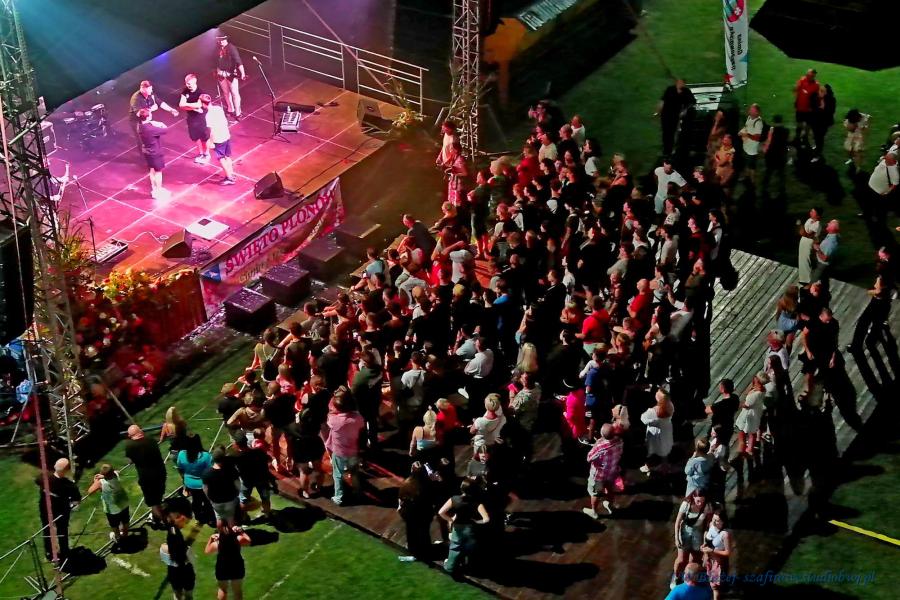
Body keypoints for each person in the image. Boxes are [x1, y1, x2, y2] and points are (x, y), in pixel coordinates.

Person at [439, 479, 490, 575]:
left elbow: (441, 512)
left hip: (458, 527)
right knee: (469, 548)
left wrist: (450, 519)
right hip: (470, 528)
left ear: (461, 488)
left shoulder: (454, 499)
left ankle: (450, 567)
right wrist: (477, 522)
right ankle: (467, 566)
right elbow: (486, 519)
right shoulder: (477, 502)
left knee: (455, 547)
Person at [325, 388, 365, 506]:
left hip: (339, 452)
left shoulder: (334, 420)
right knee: (354, 473)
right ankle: (358, 493)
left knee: (338, 475)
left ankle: (339, 497)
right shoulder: (357, 418)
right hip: (353, 451)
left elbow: (329, 418)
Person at [35, 458, 80, 561]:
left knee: (47, 530)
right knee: (62, 531)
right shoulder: (69, 485)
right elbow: (76, 500)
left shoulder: (43, 477)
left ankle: (49, 553)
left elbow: (37, 481)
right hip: (61, 512)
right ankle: (64, 552)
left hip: (45, 509)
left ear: (55, 466)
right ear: (67, 470)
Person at [124, 423, 167, 526]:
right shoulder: (151, 440)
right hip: (161, 473)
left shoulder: (130, 446)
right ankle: (158, 516)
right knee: (158, 497)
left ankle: (164, 522)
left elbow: (130, 460)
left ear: (130, 436)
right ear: (141, 431)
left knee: (153, 503)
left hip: (147, 478)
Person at [672, 490, 712, 591]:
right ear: (693, 497)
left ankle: (689, 579)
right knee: (681, 560)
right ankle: (676, 576)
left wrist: (705, 541)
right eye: (698, 501)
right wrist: (676, 538)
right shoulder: (686, 504)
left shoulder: (707, 506)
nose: (700, 503)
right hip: (685, 532)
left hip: (698, 533)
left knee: (694, 561)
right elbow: (677, 522)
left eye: (702, 501)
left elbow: (707, 525)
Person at [160, 498, 199, 600]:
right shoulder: (174, 533)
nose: (185, 525)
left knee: (177, 594)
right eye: (185, 521)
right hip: (185, 571)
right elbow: (183, 557)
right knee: (188, 595)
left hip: (173, 572)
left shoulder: (171, 529)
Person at [583, 423, 623, 519]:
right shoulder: (619, 441)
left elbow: (589, 458)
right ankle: (610, 505)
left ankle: (594, 512)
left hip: (599, 477)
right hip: (612, 473)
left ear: (602, 434)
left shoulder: (600, 447)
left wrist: (597, 443)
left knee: (596, 493)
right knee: (610, 489)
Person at [397, 461, 434, 562]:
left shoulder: (408, 483)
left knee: (413, 535)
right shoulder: (428, 483)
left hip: (413, 515)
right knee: (424, 533)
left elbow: (402, 498)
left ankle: (416, 554)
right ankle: (427, 551)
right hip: (426, 513)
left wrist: (401, 508)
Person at [847, 274, 893, 353]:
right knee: (875, 324)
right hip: (883, 304)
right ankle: (869, 342)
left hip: (877, 303)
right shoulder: (888, 278)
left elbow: (878, 291)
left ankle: (857, 345)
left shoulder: (882, 277)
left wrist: (870, 291)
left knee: (863, 323)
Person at [85, 464, 129, 544]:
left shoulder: (101, 483)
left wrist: (95, 481)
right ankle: (125, 535)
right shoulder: (116, 475)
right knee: (125, 520)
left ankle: (118, 537)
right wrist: (103, 476)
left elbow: (90, 491)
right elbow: (115, 472)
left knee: (114, 525)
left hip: (112, 510)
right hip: (124, 503)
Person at [176, 434, 214, 526]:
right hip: (204, 484)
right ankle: (210, 518)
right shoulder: (205, 456)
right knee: (207, 501)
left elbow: (180, 468)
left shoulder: (181, 454)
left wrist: (184, 479)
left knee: (196, 500)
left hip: (190, 483)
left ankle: (198, 517)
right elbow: (211, 470)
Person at [205, 523, 251, 600]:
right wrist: (242, 532)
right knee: (237, 591)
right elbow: (248, 541)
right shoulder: (238, 539)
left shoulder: (217, 544)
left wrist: (211, 538)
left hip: (222, 566)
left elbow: (207, 551)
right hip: (237, 565)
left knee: (222, 589)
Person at [199, 94, 236, 185]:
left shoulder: (208, 116)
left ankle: (229, 178)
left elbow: (211, 131)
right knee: (227, 156)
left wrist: (211, 142)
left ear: (203, 104)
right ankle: (231, 173)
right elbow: (225, 121)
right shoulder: (218, 108)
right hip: (226, 134)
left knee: (221, 158)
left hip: (218, 138)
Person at [129, 80, 178, 147]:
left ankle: (154, 148)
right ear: (143, 89)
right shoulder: (135, 98)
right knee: (141, 139)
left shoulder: (150, 94)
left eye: (151, 89)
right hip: (137, 121)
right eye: (149, 89)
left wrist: (171, 110)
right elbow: (139, 114)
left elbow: (159, 102)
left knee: (151, 136)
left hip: (147, 118)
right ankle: (144, 151)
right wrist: (151, 109)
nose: (151, 91)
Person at [136, 108, 170, 199]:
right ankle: (158, 190)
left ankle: (154, 188)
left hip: (147, 151)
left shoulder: (140, 126)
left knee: (152, 169)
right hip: (155, 152)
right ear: (148, 117)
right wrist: (160, 124)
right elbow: (165, 130)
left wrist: (152, 123)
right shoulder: (150, 129)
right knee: (158, 172)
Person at [640, 388, 674, 474]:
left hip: (654, 433)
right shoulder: (670, 406)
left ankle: (649, 466)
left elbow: (643, 418)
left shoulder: (653, 411)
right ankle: (664, 465)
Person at [658, 78, 696, 156]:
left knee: (672, 132)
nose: (680, 84)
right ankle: (666, 150)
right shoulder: (670, 89)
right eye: (679, 82)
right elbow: (663, 100)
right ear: (676, 83)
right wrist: (658, 111)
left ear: (684, 84)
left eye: (682, 83)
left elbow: (692, 102)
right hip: (666, 115)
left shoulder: (686, 91)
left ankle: (670, 150)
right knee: (666, 132)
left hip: (675, 116)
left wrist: (685, 110)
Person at [204, 446, 240, 526]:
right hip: (230, 499)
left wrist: (210, 499)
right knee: (230, 518)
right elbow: (237, 484)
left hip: (216, 501)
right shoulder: (231, 470)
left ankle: (221, 533)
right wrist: (237, 493)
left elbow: (205, 489)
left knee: (219, 518)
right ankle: (232, 532)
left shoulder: (207, 473)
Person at [179, 73, 211, 164]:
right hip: (191, 118)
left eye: (189, 83)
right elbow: (181, 105)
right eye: (186, 83)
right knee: (195, 137)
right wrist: (194, 108)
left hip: (201, 118)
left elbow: (198, 105)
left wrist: (187, 105)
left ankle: (207, 153)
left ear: (195, 81)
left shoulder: (201, 93)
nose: (188, 85)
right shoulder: (185, 91)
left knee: (205, 137)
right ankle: (201, 153)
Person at [701, 509, 732, 600]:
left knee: (715, 587)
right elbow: (708, 537)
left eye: (717, 520)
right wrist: (704, 544)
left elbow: (728, 552)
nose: (714, 522)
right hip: (708, 559)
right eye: (713, 519)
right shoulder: (711, 525)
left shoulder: (725, 534)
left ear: (723, 522)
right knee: (710, 582)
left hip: (718, 563)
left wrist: (713, 551)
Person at [214, 34, 247, 120]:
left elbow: (238, 61)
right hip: (221, 73)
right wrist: (217, 70)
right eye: (219, 40)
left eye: (222, 40)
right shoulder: (218, 48)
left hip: (231, 73)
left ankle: (238, 113)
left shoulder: (231, 48)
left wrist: (242, 73)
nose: (220, 41)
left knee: (235, 93)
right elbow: (215, 60)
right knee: (226, 92)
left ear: (225, 39)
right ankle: (230, 109)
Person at [761, 114, 789, 197]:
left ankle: (765, 187)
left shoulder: (770, 131)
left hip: (771, 156)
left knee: (768, 172)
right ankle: (782, 189)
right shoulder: (786, 131)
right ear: (781, 121)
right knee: (781, 173)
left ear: (774, 121)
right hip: (781, 156)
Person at [738, 103, 763, 184]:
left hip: (752, 150)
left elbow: (757, 138)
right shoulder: (749, 117)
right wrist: (741, 131)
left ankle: (752, 182)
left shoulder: (758, 123)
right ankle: (746, 178)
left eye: (752, 110)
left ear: (757, 112)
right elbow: (746, 127)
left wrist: (746, 134)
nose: (750, 111)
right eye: (750, 109)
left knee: (752, 167)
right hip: (746, 147)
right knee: (746, 164)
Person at [793, 68, 820, 147]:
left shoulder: (816, 85)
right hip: (800, 108)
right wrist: (796, 99)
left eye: (809, 75)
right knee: (799, 124)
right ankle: (797, 138)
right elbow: (795, 89)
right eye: (807, 74)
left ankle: (805, 138)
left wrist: (814, 105)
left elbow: (817, 97)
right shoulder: (802, 80)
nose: (807, 76)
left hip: (809, 110)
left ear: (813, 76)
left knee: (808, 125)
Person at [797, 207, 822, 284]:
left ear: (817, 215)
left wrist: (800, 225)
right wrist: (802, 230)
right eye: (811, 211)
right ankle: (803, 278)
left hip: (809, 243)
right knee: (801, 259)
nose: (810, 212)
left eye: (813, 212)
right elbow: (802, 233)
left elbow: (807, 234)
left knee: (806, 260)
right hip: (803, 241)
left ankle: (808, 279)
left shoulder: (817, 225)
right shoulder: (809, 220)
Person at [811, 219, 840, 283]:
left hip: (822, 266)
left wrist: (817, 249)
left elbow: (825, 258)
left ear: (832, 228)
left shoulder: (831, 242)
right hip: (822, 264)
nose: (827, 223)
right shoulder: (831, 235)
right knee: (823, 280)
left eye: (829, 223)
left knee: (813, 281)